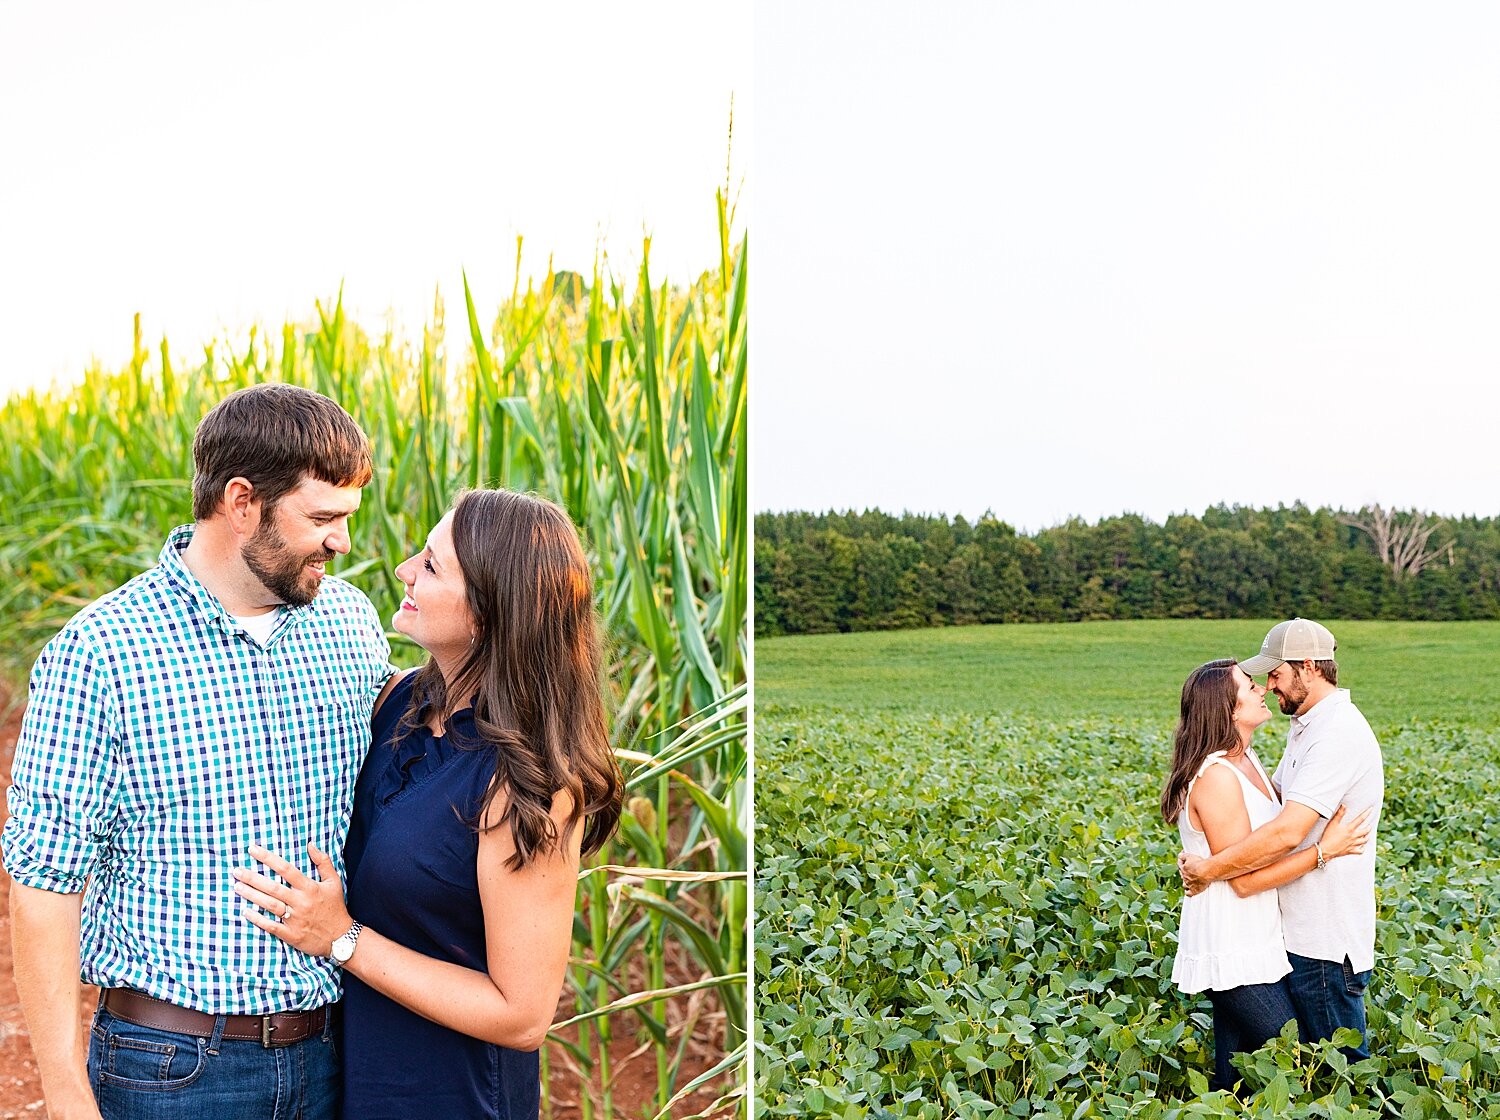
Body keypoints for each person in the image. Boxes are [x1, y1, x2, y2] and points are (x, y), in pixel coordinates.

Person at [2, 383, 393, 1120]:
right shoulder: (102, 651)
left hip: (337, 1050)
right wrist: (63, 1091)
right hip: (174, 1071)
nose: (343, 542)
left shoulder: (348, 621)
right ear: (241, 502)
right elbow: (44, 882)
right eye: (323, 518)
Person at [233, 488, 625, 1120]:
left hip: (454, 1096)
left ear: (494, 610)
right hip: (359, 1080)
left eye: (433, 566)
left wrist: (341, 938)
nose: (404, 570)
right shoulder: (402, 705)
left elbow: (522, 1015)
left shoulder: (528, 781)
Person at [1178, 618, 1385, 1061]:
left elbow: (1286, 830)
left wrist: (1208, 869)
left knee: (1337, 1077)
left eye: (1275, 674)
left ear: (1308, 667)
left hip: (1323, 940)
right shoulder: (1303, 728)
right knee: (1262, 1074)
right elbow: (1264, 817)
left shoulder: (1336, 733)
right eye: (1258, 682)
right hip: (1276, 938)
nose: (1268, 686)